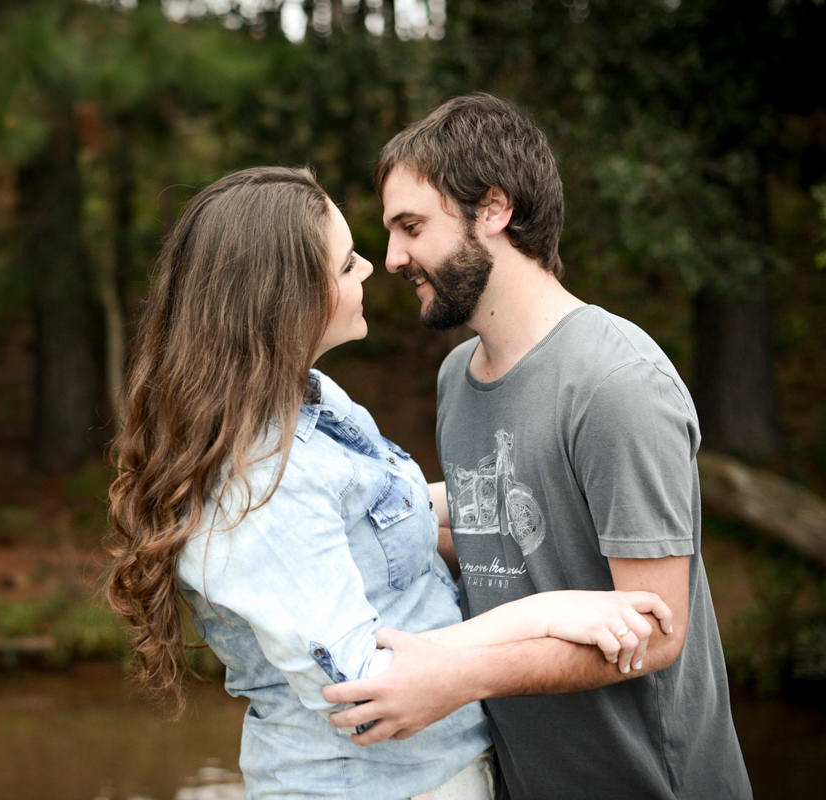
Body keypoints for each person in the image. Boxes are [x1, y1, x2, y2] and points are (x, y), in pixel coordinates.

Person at [105, 166, 673, 799]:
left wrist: (561, 488)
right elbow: (366, 689)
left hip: (444, 769)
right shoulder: (258, 484)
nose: (374, 268)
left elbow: (389, 517)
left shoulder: (312, 405)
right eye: (348, 264)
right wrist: (550, 610)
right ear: (287, 299)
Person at [321, 94, 752, 799]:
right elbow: (502, 547)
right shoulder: (457, 378)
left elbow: (657, 628)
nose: (393, 258)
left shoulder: (616, 383)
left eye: (410, 227)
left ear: (493, 209)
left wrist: (454, 677)